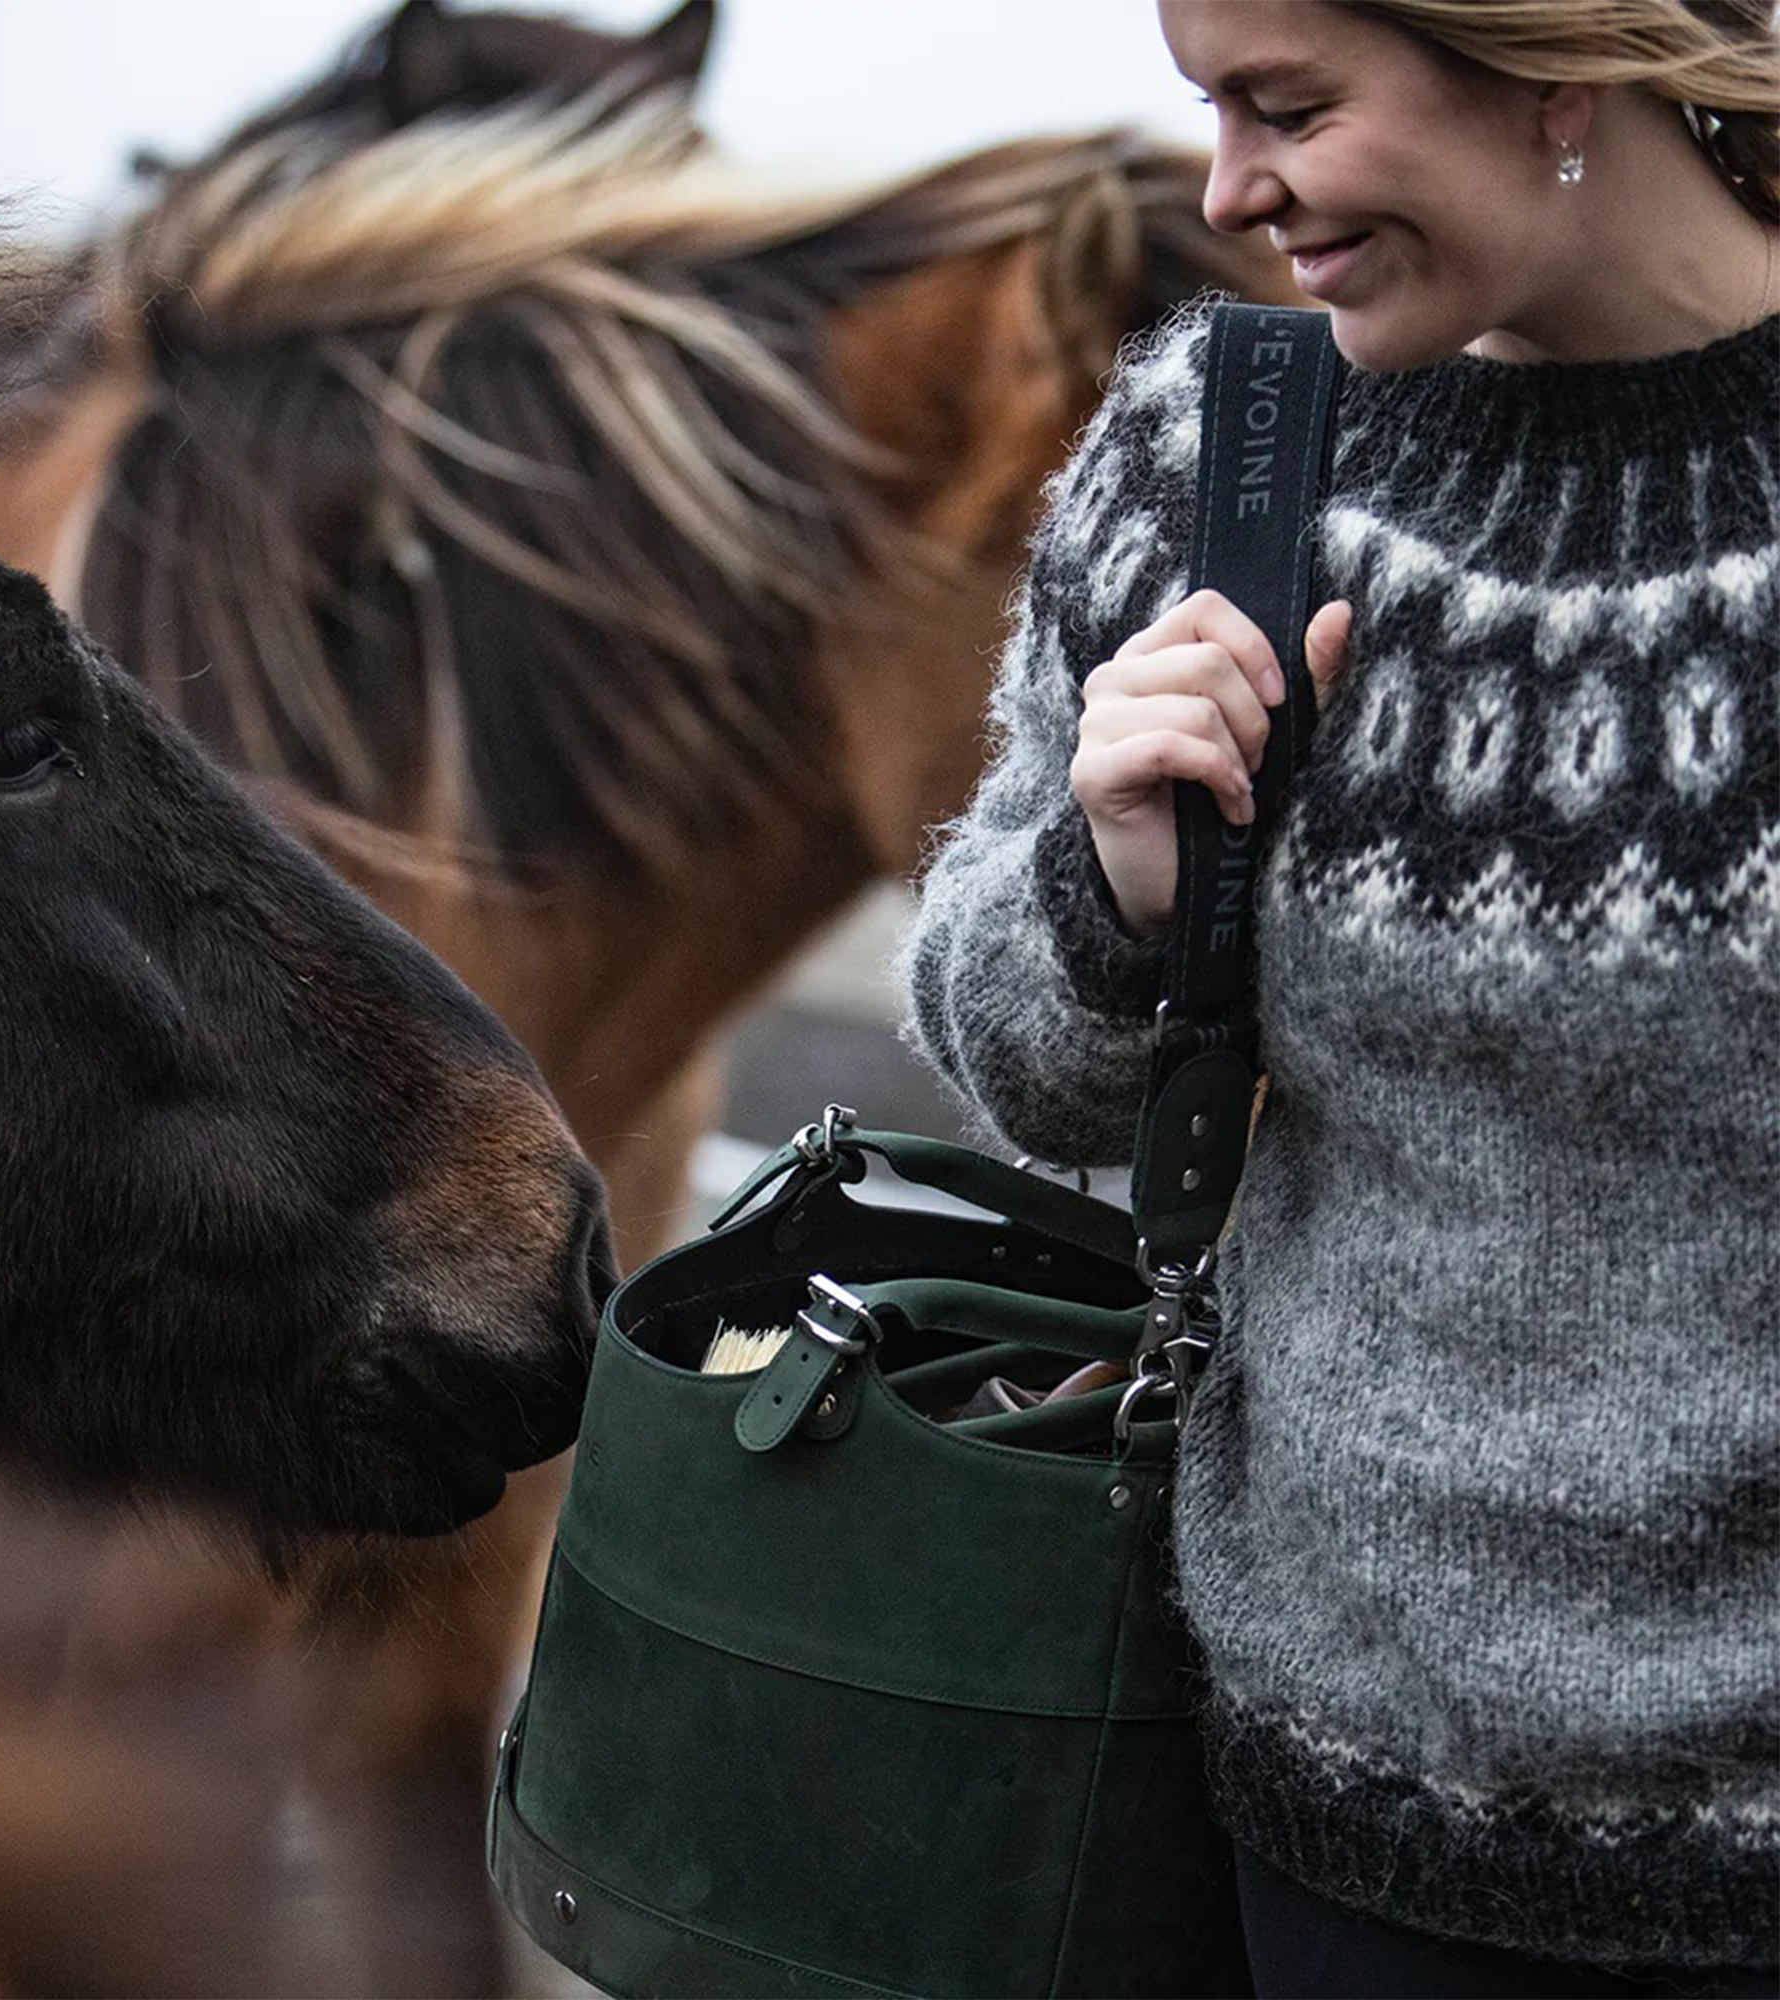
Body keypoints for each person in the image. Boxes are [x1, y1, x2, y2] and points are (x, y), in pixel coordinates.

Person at [903, 1, 1780, 1992]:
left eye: (1288, 109)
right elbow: (1014, 1057)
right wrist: (1112, 881)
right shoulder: (1214, 454)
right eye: (1209, 112)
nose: (1228, 192)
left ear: (1559, 65)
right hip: (1329, 1830)